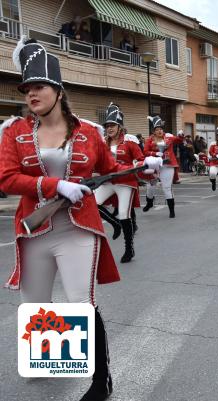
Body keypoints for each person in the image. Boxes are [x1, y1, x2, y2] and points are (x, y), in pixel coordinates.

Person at [0, 38, 161, 401]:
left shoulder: (88, 132)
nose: (31, 94)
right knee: (35, 303)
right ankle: (50, 360)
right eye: (26, 88)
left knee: (79, 304)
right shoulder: (15, 131)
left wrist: (144, 170)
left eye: (38, 86)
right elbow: (6, 178)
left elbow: (110, 170)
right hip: (35, 230)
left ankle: (100, 380)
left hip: (78, 229)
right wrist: (55, 184)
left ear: (58, 90)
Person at [94, 103, 147, 263]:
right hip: (108, 181)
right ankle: (115, 224)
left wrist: (136, 166)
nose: (109, 128)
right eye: (107, 126)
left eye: (112, 125)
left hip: (126, 182)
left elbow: (141, 160)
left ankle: (129, 248)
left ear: (120, 126)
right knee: (92, 203)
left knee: (124, 213)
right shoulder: (103, 143)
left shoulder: (130, 141)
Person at [143, 116, 183, 218]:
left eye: (161, 129)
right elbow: (145, 152)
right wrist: (155, 153)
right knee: (150, 186)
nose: (159, 131)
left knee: (166, 188)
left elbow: (178, 140)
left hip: (167, 165)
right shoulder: (149, 140)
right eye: (157, 130)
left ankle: (171, 211)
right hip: (154, 165)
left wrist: (181, 135)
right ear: (154, 131)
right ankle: (149, 202)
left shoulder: (168, 137)